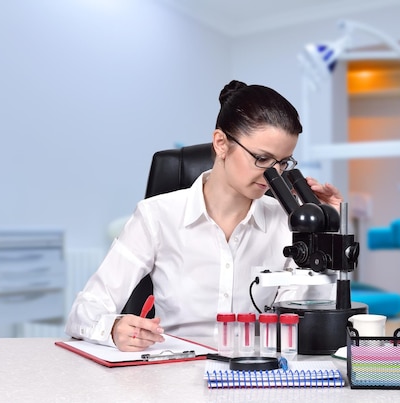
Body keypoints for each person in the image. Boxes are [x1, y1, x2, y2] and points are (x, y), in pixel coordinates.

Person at [65, 80, 344, 352]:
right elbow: (84, 311)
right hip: (173, 373)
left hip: (255, 374)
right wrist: (114, 328)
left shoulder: (288, 221)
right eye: (262, 159)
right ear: (221, 143)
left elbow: (307, 320)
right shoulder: (156, 216)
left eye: (283, 163)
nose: (275, 176)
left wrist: (327, 234)